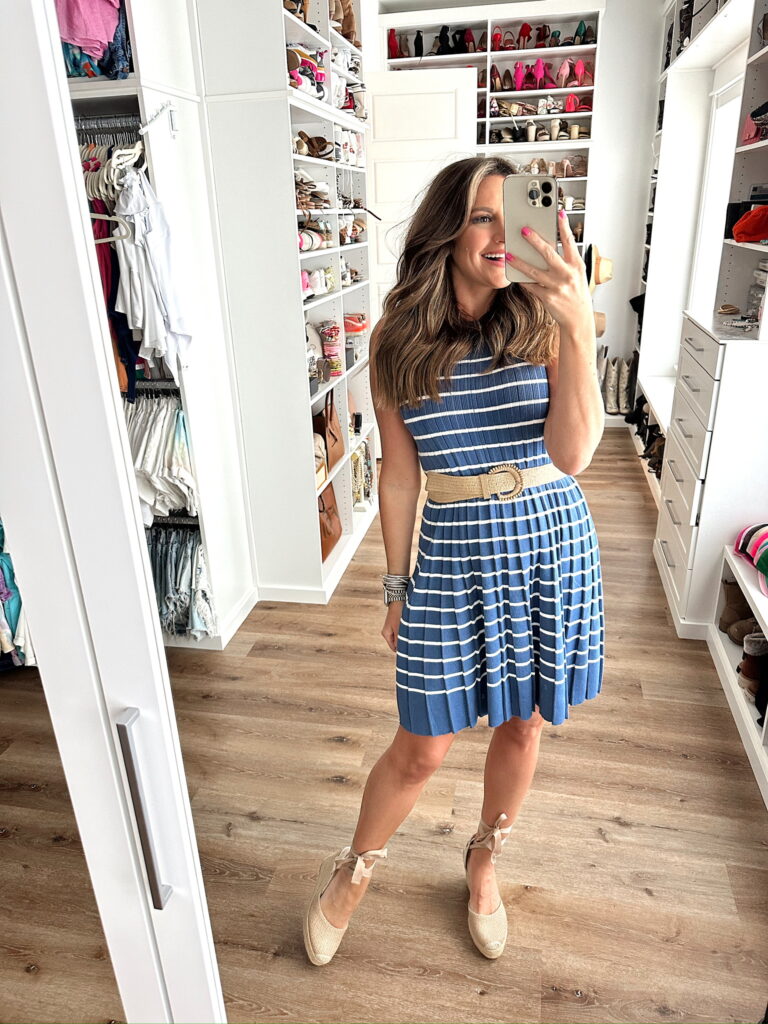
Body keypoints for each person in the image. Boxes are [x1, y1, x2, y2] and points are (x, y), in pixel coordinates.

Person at [303, 156, 605, 966]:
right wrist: (395, 585)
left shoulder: (544, 321)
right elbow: (400, 475)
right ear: (445, 229)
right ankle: (355, 869)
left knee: (523, 722)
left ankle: (484, 858)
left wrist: (579, 324)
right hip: (451, 549)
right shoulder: (396, 339)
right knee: (422, 744)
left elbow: (574, 453)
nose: (502, 236)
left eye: (513, 216)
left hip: (548, 541)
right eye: (482, 217)